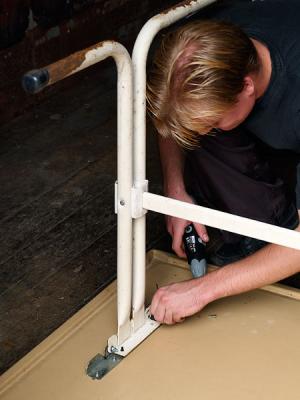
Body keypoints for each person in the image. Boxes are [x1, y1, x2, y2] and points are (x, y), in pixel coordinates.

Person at [147, 0, 300, 324]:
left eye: (213, 120)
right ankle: (263, 236)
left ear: (246, 86)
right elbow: (173, 115)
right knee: (199, 128)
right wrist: (176, 194)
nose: (202, 131)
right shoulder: (206, 42)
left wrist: (202, 289)